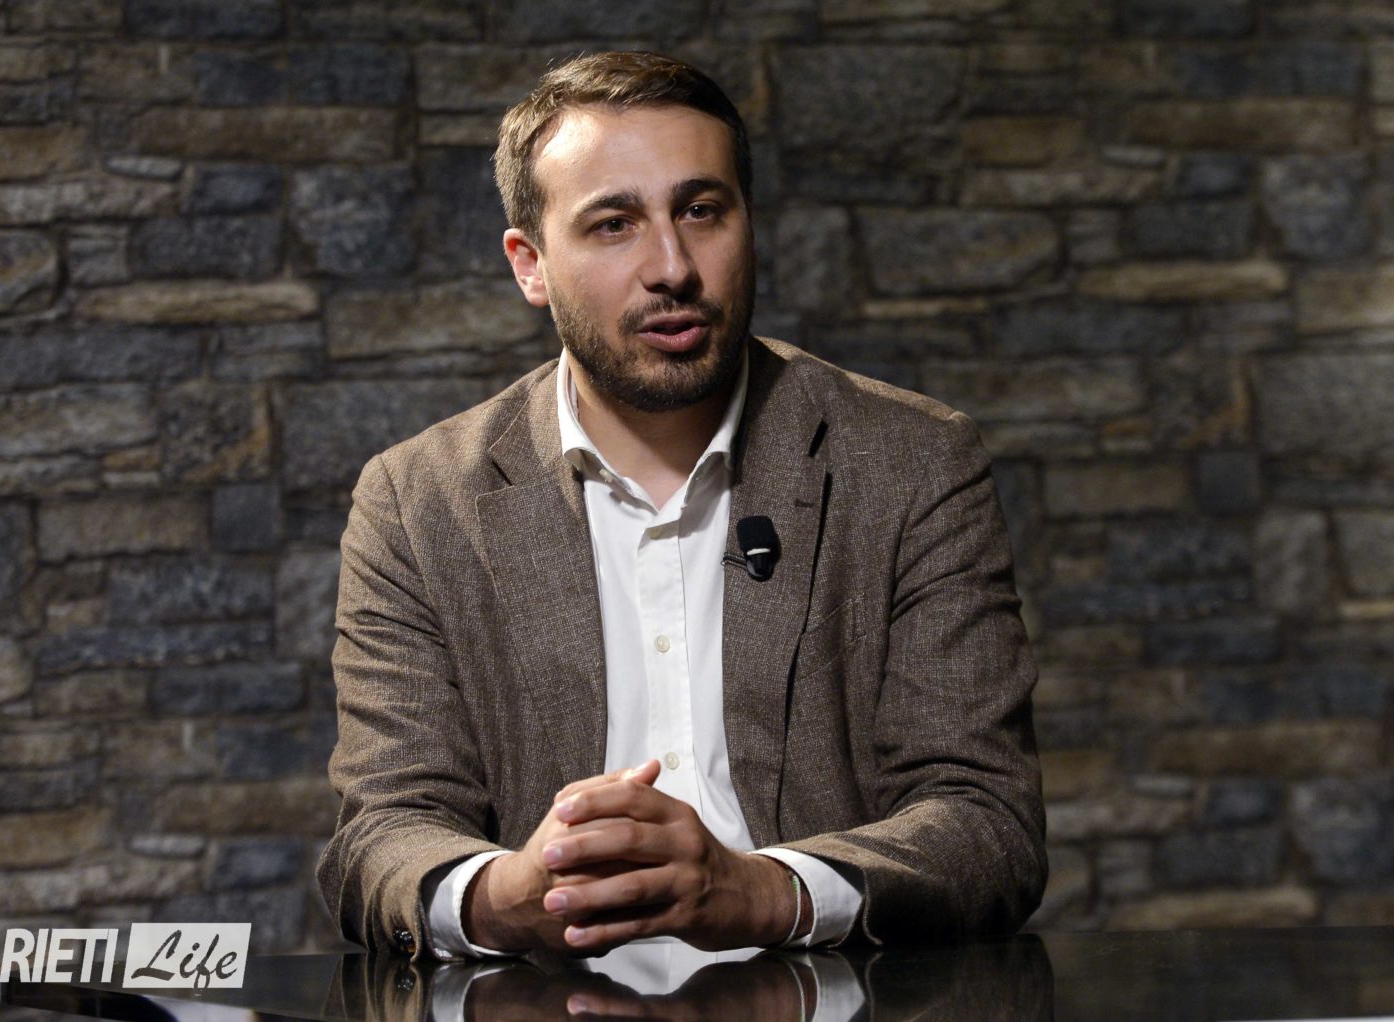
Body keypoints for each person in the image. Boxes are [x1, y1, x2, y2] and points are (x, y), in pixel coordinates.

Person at [317, 50, 1045, 961]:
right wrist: (507, 897)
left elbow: (987, 822)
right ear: (530, 265)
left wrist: (764, 893)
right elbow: (381, 834)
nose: (671, 267)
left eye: (701, 211)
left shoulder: (912, 462)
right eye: (613, 224)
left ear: (748, 223)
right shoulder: (418, 501)